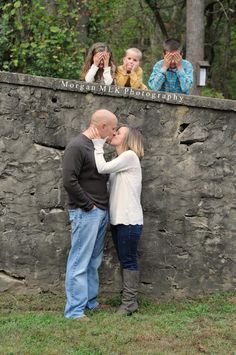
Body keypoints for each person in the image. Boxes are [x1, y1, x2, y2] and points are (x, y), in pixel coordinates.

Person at [62, 109, 118, 320]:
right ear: (102, 126)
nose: (113, 133)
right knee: (79, 261)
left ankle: (90, 303)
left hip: (100, 212)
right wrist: (88, 206)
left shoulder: (96, 147)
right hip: (87, 212)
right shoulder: (77, 146)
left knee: (94, 260)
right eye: (112, 129)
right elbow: (69, 181)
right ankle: (74, 311)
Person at [88, 124, 144, 315]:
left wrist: (97, 144)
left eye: (118, 133)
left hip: (129, 220)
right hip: (119, 220)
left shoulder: (129, 156)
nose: (114, 133)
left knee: (128, 260)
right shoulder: (119, 159)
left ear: (128, 140)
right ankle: (128, 300)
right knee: (125, 259)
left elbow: (101, 167)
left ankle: (129, 303)